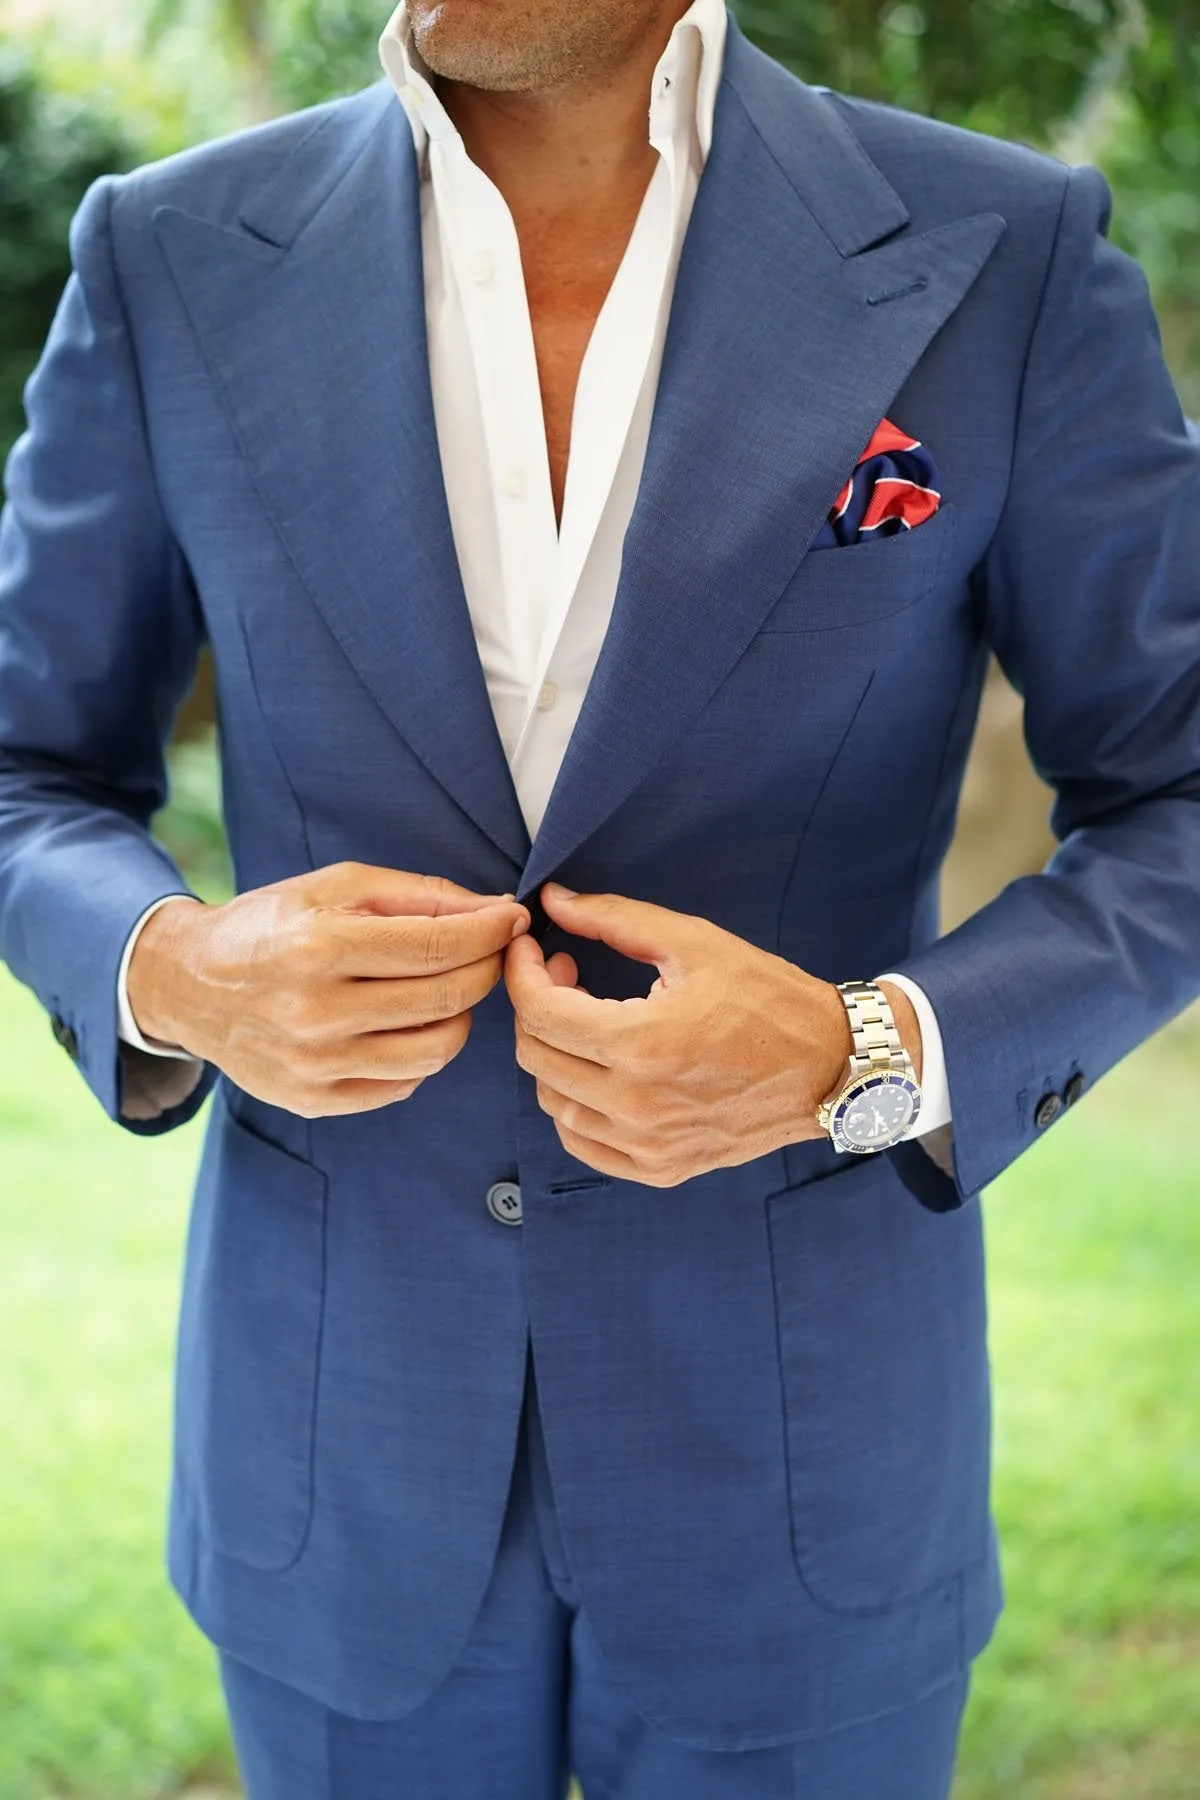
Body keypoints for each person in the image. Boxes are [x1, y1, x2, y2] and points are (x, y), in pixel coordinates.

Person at [1, 0, 1198, 1793]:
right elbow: (27, 763)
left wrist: (874, 1046)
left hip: (805, 1472)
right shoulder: (168, 252)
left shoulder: (1002, 251)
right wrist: (173, 967)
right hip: (339, 1459)